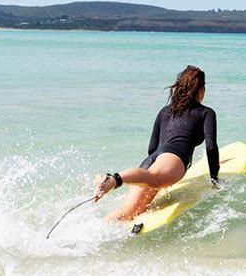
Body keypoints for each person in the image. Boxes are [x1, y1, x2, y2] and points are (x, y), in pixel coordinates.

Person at [93, 65, 220, 221]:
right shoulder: (206, 112)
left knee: (128, 212)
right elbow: (211, 147)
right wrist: (214, 178)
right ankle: (113, 179)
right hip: (173, 159)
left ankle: (87, 234)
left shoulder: (165, 111)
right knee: (152, 179)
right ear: (201, 90)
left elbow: (152, 148)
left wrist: (154, 181)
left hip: (153, 159)